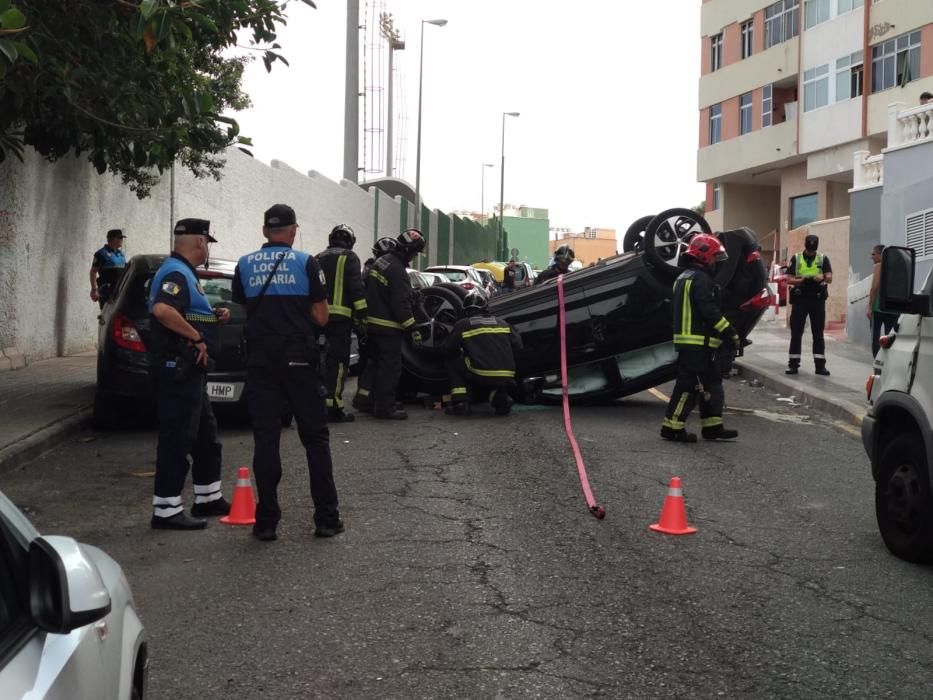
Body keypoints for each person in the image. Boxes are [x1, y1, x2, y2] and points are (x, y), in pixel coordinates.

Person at [231, 204, 342, 542]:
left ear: (265, 231)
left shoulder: (245, 264)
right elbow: (322, 318)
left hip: (262, 359)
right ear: (293, 231)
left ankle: (266, 523)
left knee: (266, 439)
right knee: (315, 439)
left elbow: (246, 308)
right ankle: (326, 518)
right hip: (300, 359)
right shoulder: (307, 263)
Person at [148, 218, 231, 530]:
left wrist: (212, 318)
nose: (207, 247)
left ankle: (208, 497)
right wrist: (197, 338)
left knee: (206, 437)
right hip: (178, 369)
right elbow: (163, 310)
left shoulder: (184, 272)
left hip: (190, 372)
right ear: (199, 241)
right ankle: (166, 510)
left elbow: (186, 312)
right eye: (207, 242)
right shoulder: (175, 272)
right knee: (177, 438)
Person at [661, 233, 740, 443]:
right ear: (704, 257)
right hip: (696, 345)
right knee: (689, 387)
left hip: (695, 344)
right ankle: (672, 427)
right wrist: (730, 333)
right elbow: (710, 311)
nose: (716, 263)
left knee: (712, 384)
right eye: (714, 258)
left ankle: (713, 426)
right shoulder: (702, 280)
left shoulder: (684, 277)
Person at [361, 229, 424, 419]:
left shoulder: (382, 261)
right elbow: (400, 304)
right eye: (414, 253)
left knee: (376, 366)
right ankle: (385, 408)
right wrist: (412, 328)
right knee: (390, 369)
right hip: (388, 327)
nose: (413, 257)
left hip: (372, 324)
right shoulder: (397, 270)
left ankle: (373, 402)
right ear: (407, 250)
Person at [442, 292, 522, 416]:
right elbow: (518, 346)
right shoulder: (502, 323)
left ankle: (460, 401)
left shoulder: (464, 324)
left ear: (466, 310)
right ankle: (501, 398)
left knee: (453, 360)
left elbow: (448, 349)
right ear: (485, 308)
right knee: (494, 377)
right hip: (507, 373)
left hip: (481, 373)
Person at [317, 224, 367, 423]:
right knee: (338, 363)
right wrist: (362, 316)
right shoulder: (350, 257)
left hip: (318, 319)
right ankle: (333, 405)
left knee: (318, 361)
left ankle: (318, 403)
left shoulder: (318, 257)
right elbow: (356, 288)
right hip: (340, 321)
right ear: (350, 242)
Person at [353, 238, 400, 414]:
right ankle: (380, 402)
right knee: (383, 365)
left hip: (367, 325)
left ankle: (364, 399)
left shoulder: (369, 269)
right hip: (378, 325)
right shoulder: (379, 269)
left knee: (370, 363)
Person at [786, 233, 833, 376]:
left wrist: (822, 276)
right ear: (805, 246)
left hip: (817, 299)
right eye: (809, 250)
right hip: (801, 298)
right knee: (796, 332)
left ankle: (820, 366)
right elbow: (788, 278)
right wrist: (801, 279)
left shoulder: (823, 258)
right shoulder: (796, 258)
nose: (811, 252)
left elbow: (830, 278)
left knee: (818, 333)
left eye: (813, 250)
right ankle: (793, 365)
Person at [868, 244, 898, 357]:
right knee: (890, 338)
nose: (872, 257)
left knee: (875, 338)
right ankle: (888, 359)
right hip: (893, 308)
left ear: (881, 255)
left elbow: (874, 288)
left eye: (873, 254)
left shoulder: (878, 266)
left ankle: (877, 360)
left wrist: (870, 307)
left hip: (879, 308)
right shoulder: (897, 267)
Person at [90, 228, 127, 307]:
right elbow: (93, 272)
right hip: (107, 291)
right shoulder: (101, 254)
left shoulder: (121, 254)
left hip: (120, 291)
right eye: (120, 238)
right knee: (107, 316)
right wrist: (94, 289)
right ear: (113, 239)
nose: (122, 240)